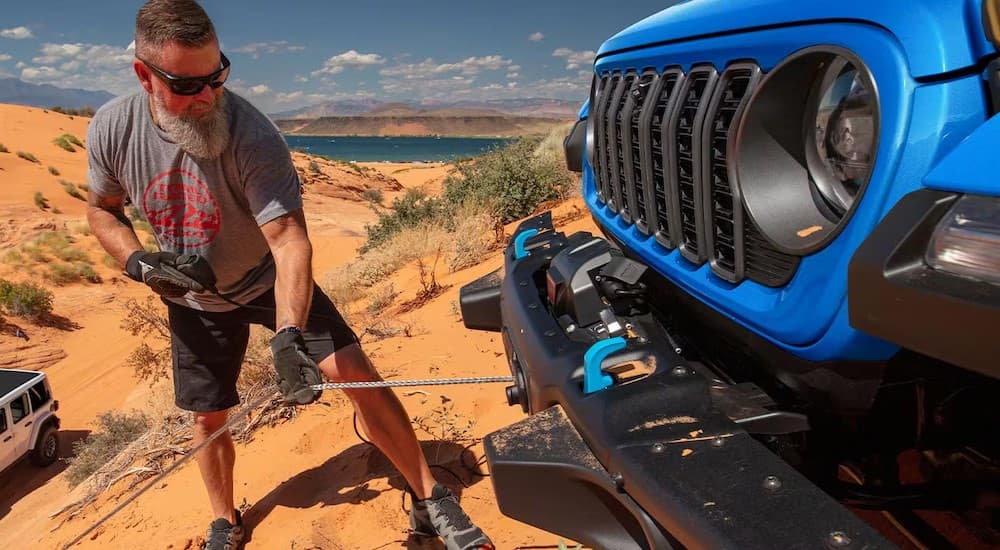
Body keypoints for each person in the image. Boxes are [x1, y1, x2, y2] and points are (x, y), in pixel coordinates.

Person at [85, 2, 493, 549]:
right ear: (143, 75)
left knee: (357, 375)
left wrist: (288, 334)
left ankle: (428, 498)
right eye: (186, 85)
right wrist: (137, 262)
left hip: (265, 279)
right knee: (209, 420)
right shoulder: (113, 129)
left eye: (216, 75)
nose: (206, 97)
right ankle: (225, 522)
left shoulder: (252, 133)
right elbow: (102, 209)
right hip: (194, 300)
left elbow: (288, 240)